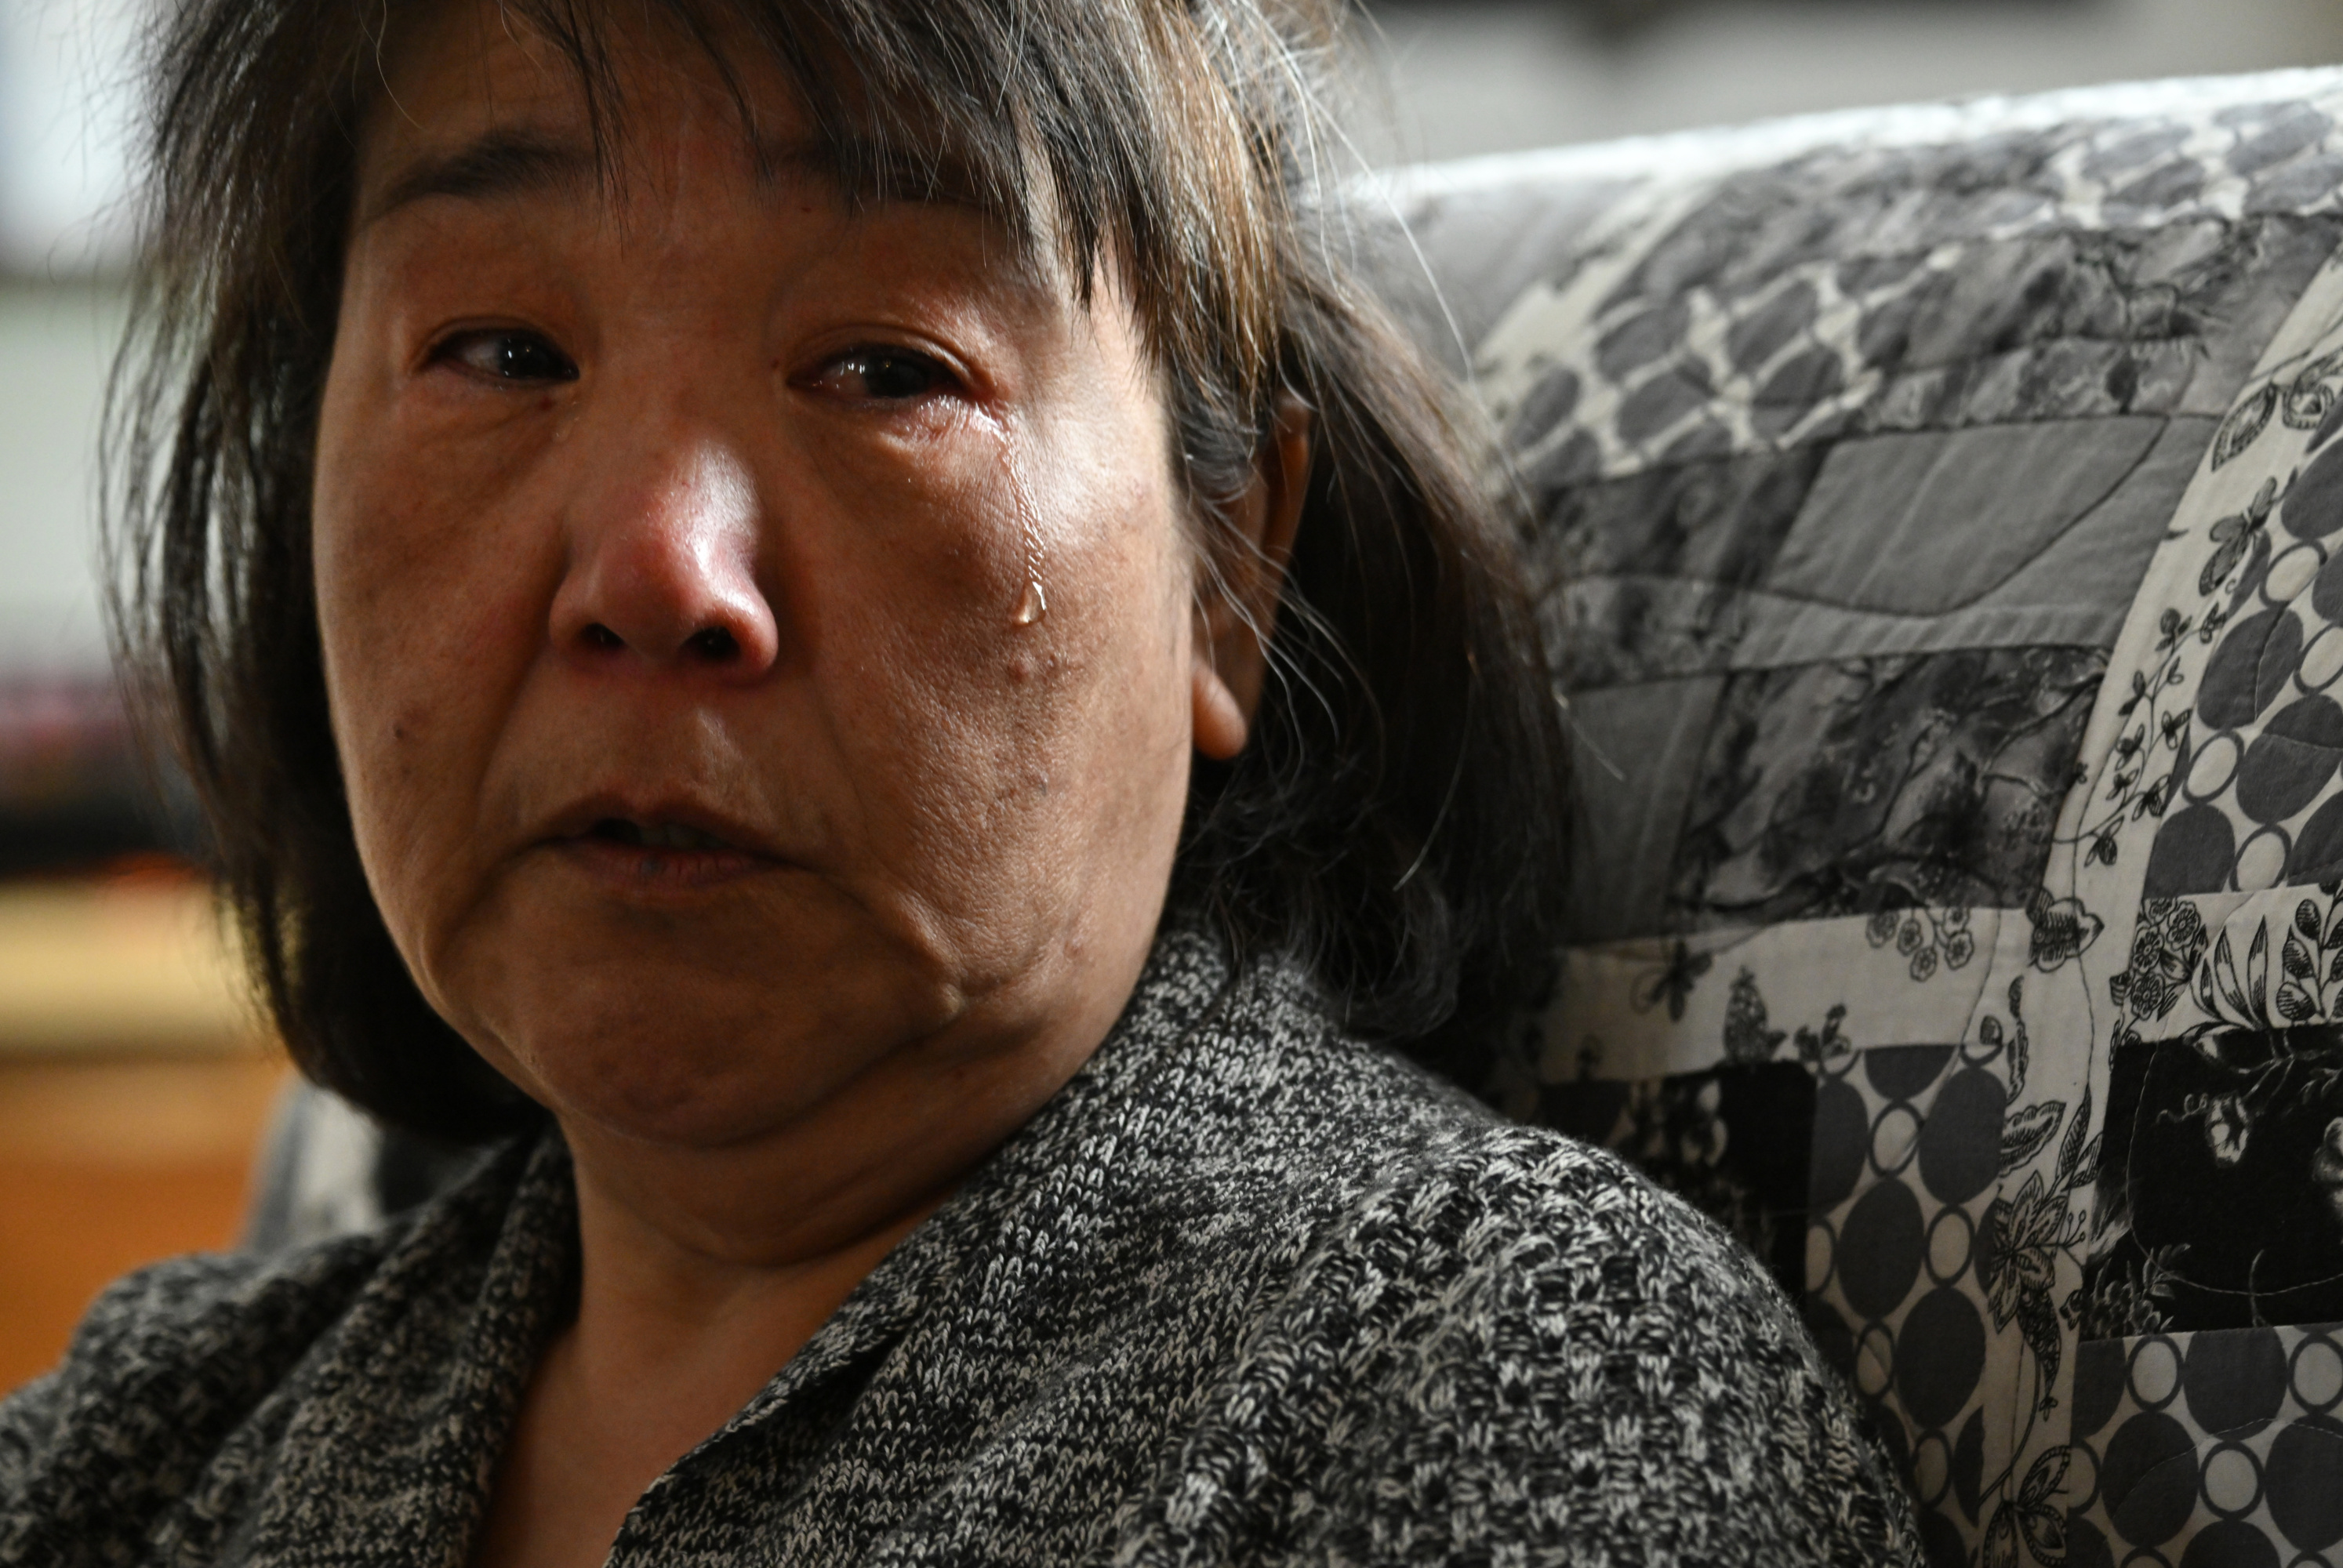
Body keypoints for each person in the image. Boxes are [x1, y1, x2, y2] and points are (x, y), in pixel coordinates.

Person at [0, 0, 1923, 1563]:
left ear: (1230, 576)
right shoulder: (147, 1446)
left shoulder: (1493, 1380)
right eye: (501, 349)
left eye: (884, 370)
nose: (660, 573)